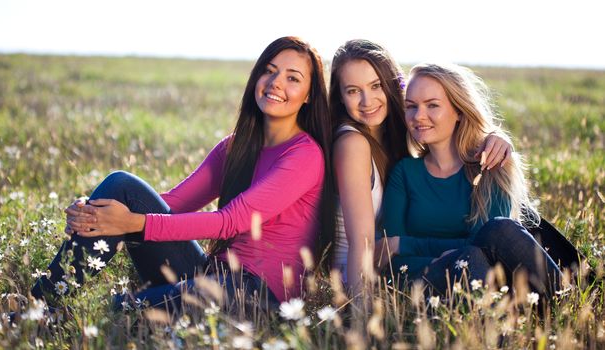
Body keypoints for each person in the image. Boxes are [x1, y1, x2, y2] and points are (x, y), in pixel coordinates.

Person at [30, 36, 334, 311]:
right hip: (210, 273)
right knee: (121, 186)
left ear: (308, 95)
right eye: (269, 70)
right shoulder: (235, 147)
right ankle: (41, 303)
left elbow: (230, 222)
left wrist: (132, 223)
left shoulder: (304, 155)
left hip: (257, 296)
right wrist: (97, 210)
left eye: (293, 78)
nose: (276, 82)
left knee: (121, 310)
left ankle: (54, 316)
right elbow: (171, 204)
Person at [328, 40, 512, 294]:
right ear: (339, 97)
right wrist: (359, 312)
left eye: (376, 85)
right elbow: (369, 247)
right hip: (368, 280)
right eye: (352, 91)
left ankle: (567, 290)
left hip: (466, 275)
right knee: (477, 260)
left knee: (505, 235)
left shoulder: (486, 164)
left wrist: (496, 137)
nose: (366, 100)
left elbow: (492, 246)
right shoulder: (365, 149)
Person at [381, 62, 562, 298]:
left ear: (458, 111)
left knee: (497, 233)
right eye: (411, 106)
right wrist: (447, 258)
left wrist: (407, 244)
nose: (418, 116)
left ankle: (564, 304)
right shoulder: (404, 173)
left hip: (498, 283)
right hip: (430, 280)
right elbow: (389, 257)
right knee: (470, 258)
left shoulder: (491, 166)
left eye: (432, 105)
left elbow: (489, 245)